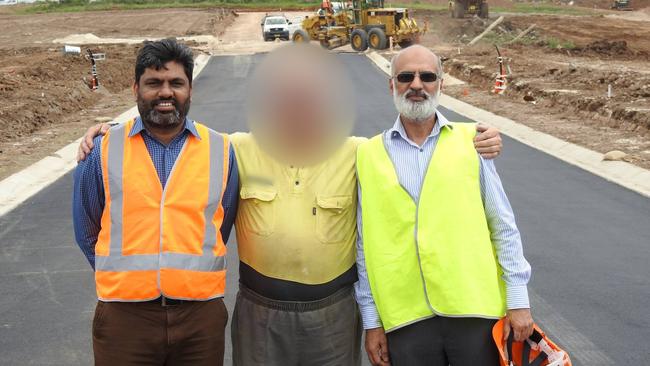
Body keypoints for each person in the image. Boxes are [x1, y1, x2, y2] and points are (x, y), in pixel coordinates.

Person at [77, 44, 503, 366]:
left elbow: (417, 147)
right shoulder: (234, 150)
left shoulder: (362, 153)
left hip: (334, 315)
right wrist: (103, 132)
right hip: (259, 313)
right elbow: (93, 230)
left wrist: (475, 137)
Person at [355, 44, 534, 366]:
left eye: (427, 77)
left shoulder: (473, 141)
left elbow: (503, 226)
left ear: (441, 84)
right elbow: (364, 245)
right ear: (391, 84)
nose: (416, 85)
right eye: (406, 76)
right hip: (405, 317)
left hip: (475, 313)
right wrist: (372, 320)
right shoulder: (367, 155)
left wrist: (518, 301)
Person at [72, 38, 239, 366]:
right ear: (136, 88)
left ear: (190, 90)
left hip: (199, 318)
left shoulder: (221, 150)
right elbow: (86, 230)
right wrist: (126, 279)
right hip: (124, 319)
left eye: (176, 83)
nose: (165, 92)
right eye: (154, 83)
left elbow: (221, 225)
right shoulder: (102, 151)